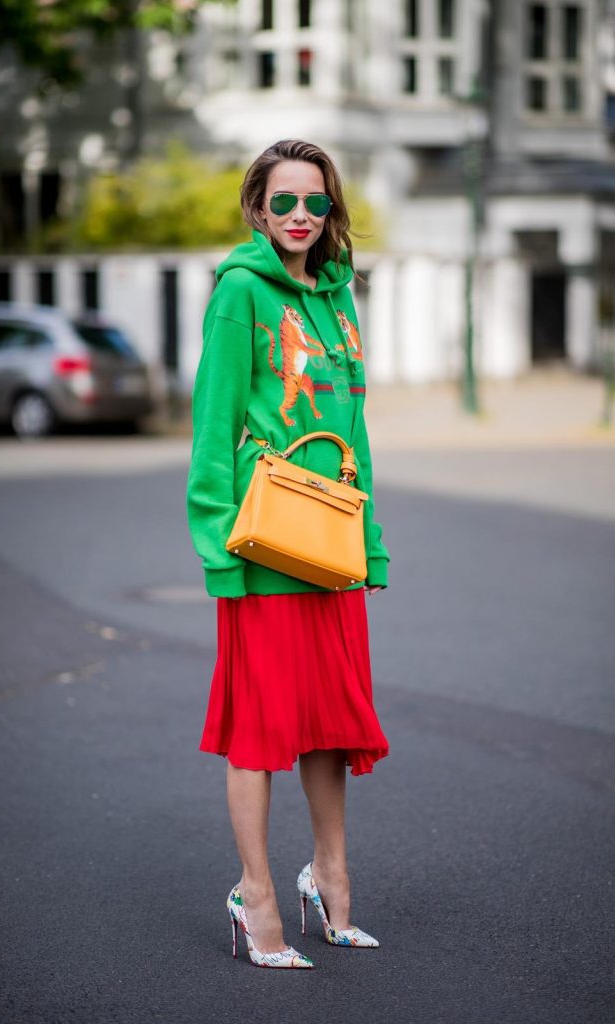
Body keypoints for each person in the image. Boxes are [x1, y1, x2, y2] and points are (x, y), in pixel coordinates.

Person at [186, 138, 390, 969]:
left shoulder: (339, 301)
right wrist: (216, 547)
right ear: (257, 208)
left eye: (315, 202)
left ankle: (331, 881)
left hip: (331, 541)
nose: (300, 216)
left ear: (331, 210)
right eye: (284, 202)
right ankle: (256, 892)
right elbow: (212, 426)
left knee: (329, 725)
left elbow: (354, 429)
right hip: (267, 539)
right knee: (262, 728)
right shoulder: (241, 293)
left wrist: (367, 543)